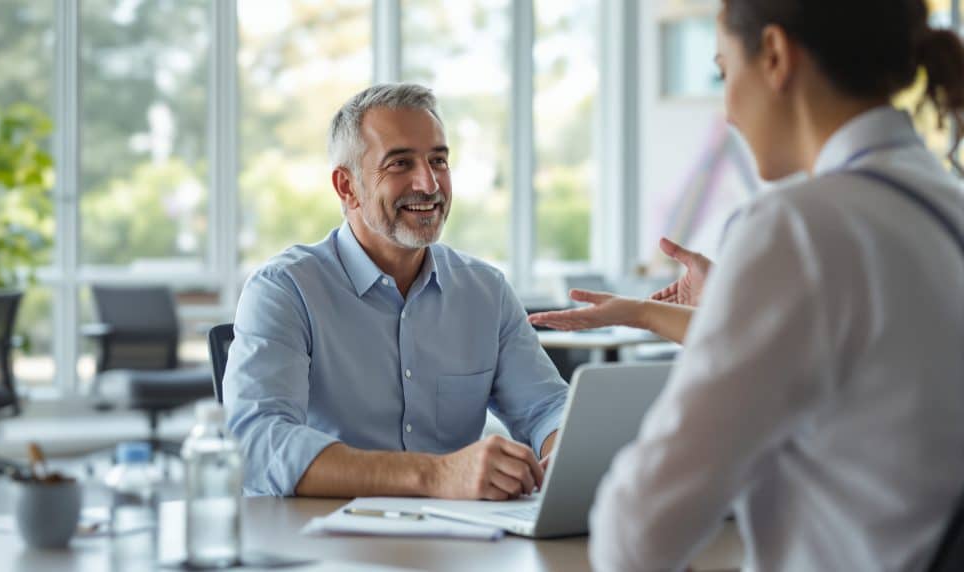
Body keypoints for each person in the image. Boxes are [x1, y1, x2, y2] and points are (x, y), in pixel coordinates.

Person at [530, 0, 964, 569]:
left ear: (776, 56)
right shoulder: (947, 206)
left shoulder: (796, 229)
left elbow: (634, 531)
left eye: (722, 72)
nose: (727, 110)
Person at [224, 83, 567, 499]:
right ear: (347, 186)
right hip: (323, 548)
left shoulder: (485, 291)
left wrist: (561, 455)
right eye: (400, 163)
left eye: (438, 160)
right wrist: (434, 475)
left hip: (458, 545)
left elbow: (548, 407)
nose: (428, 183)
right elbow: (256, 445)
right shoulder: (284, 290)